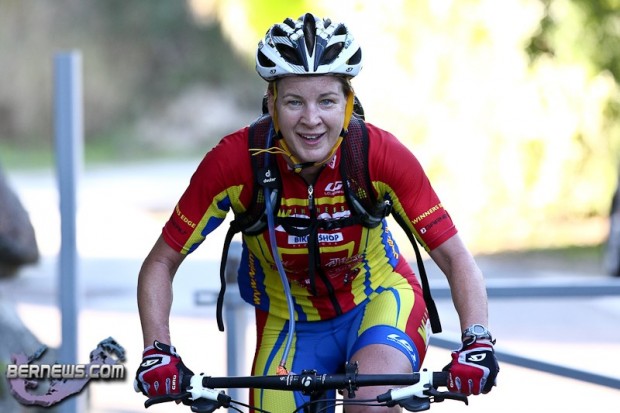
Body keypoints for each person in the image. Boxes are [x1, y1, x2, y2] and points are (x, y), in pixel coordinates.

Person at [134, 12, 499, 412]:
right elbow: (160, 262)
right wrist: (157, 350)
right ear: (272, 103)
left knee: (370, 401)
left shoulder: (378, 155)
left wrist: (476, 340)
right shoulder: (235, 163)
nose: (311, 120)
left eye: (326, 100)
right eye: (294, 101)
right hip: (287, 323)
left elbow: (455, 256)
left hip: (379, 301)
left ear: (348, 102)